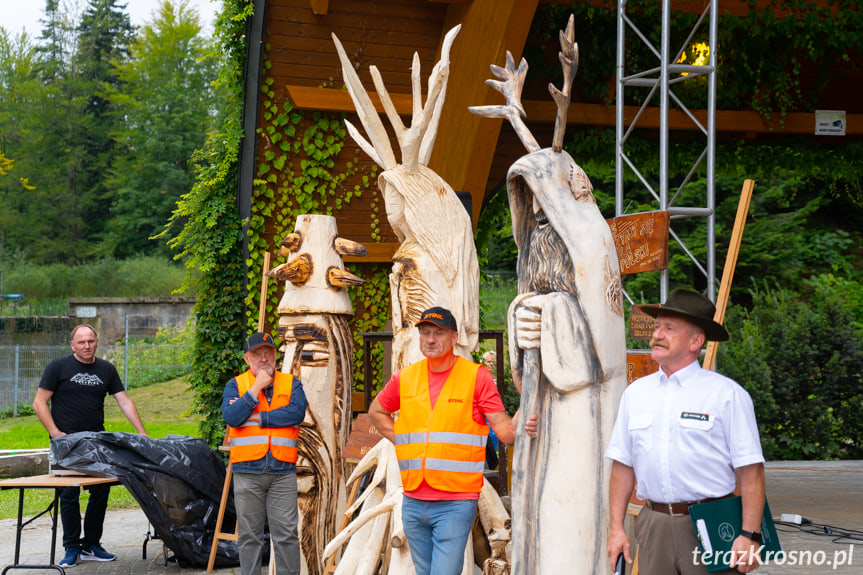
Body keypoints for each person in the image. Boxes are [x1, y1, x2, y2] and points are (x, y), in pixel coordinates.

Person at [605, 289, 766, 575]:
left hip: (712, 521)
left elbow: (751, 471)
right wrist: (616, 528)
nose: (657, 335)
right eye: (656, 327)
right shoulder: (635, 394)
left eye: (669, 328)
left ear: (696, 340)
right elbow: (622, 466)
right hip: (653, 524)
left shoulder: (726, 395)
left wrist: (750, 534)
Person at [368, 306, 538, 575]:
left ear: (454, 338)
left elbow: (505, 431)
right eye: (425, 333)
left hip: (455, 503)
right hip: (412, 500)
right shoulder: (406, 376)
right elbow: (376, 412)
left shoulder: (476, 376)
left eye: (439, 333)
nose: (431, 339)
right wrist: (401, 439)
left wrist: (526, 412)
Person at [33, 323, 149, 568]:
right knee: (69, 494)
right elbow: (39, 402)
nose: (87, 346)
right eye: (81, 342)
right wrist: (55, 433)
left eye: (91, 341)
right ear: (72, 345)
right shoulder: (58, 367)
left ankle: (91, 545)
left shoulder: (106, 369)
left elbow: (124, 402)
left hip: (97, 441)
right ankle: (71, 548)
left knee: (101, 491)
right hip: (66, 442)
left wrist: (142, 434)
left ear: (97, 342)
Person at [222, 332, 308, 575]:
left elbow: (296, 413)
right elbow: (231, 417)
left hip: (282, 472)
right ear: (247, 359)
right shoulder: (235, 385)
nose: (263, 358)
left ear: (275, 357)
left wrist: (259, 417)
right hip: (247, 472)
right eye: (257, 354)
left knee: (287, 536)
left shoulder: (292, 383)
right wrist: (256, 387)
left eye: (268, 353)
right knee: (250, 538)